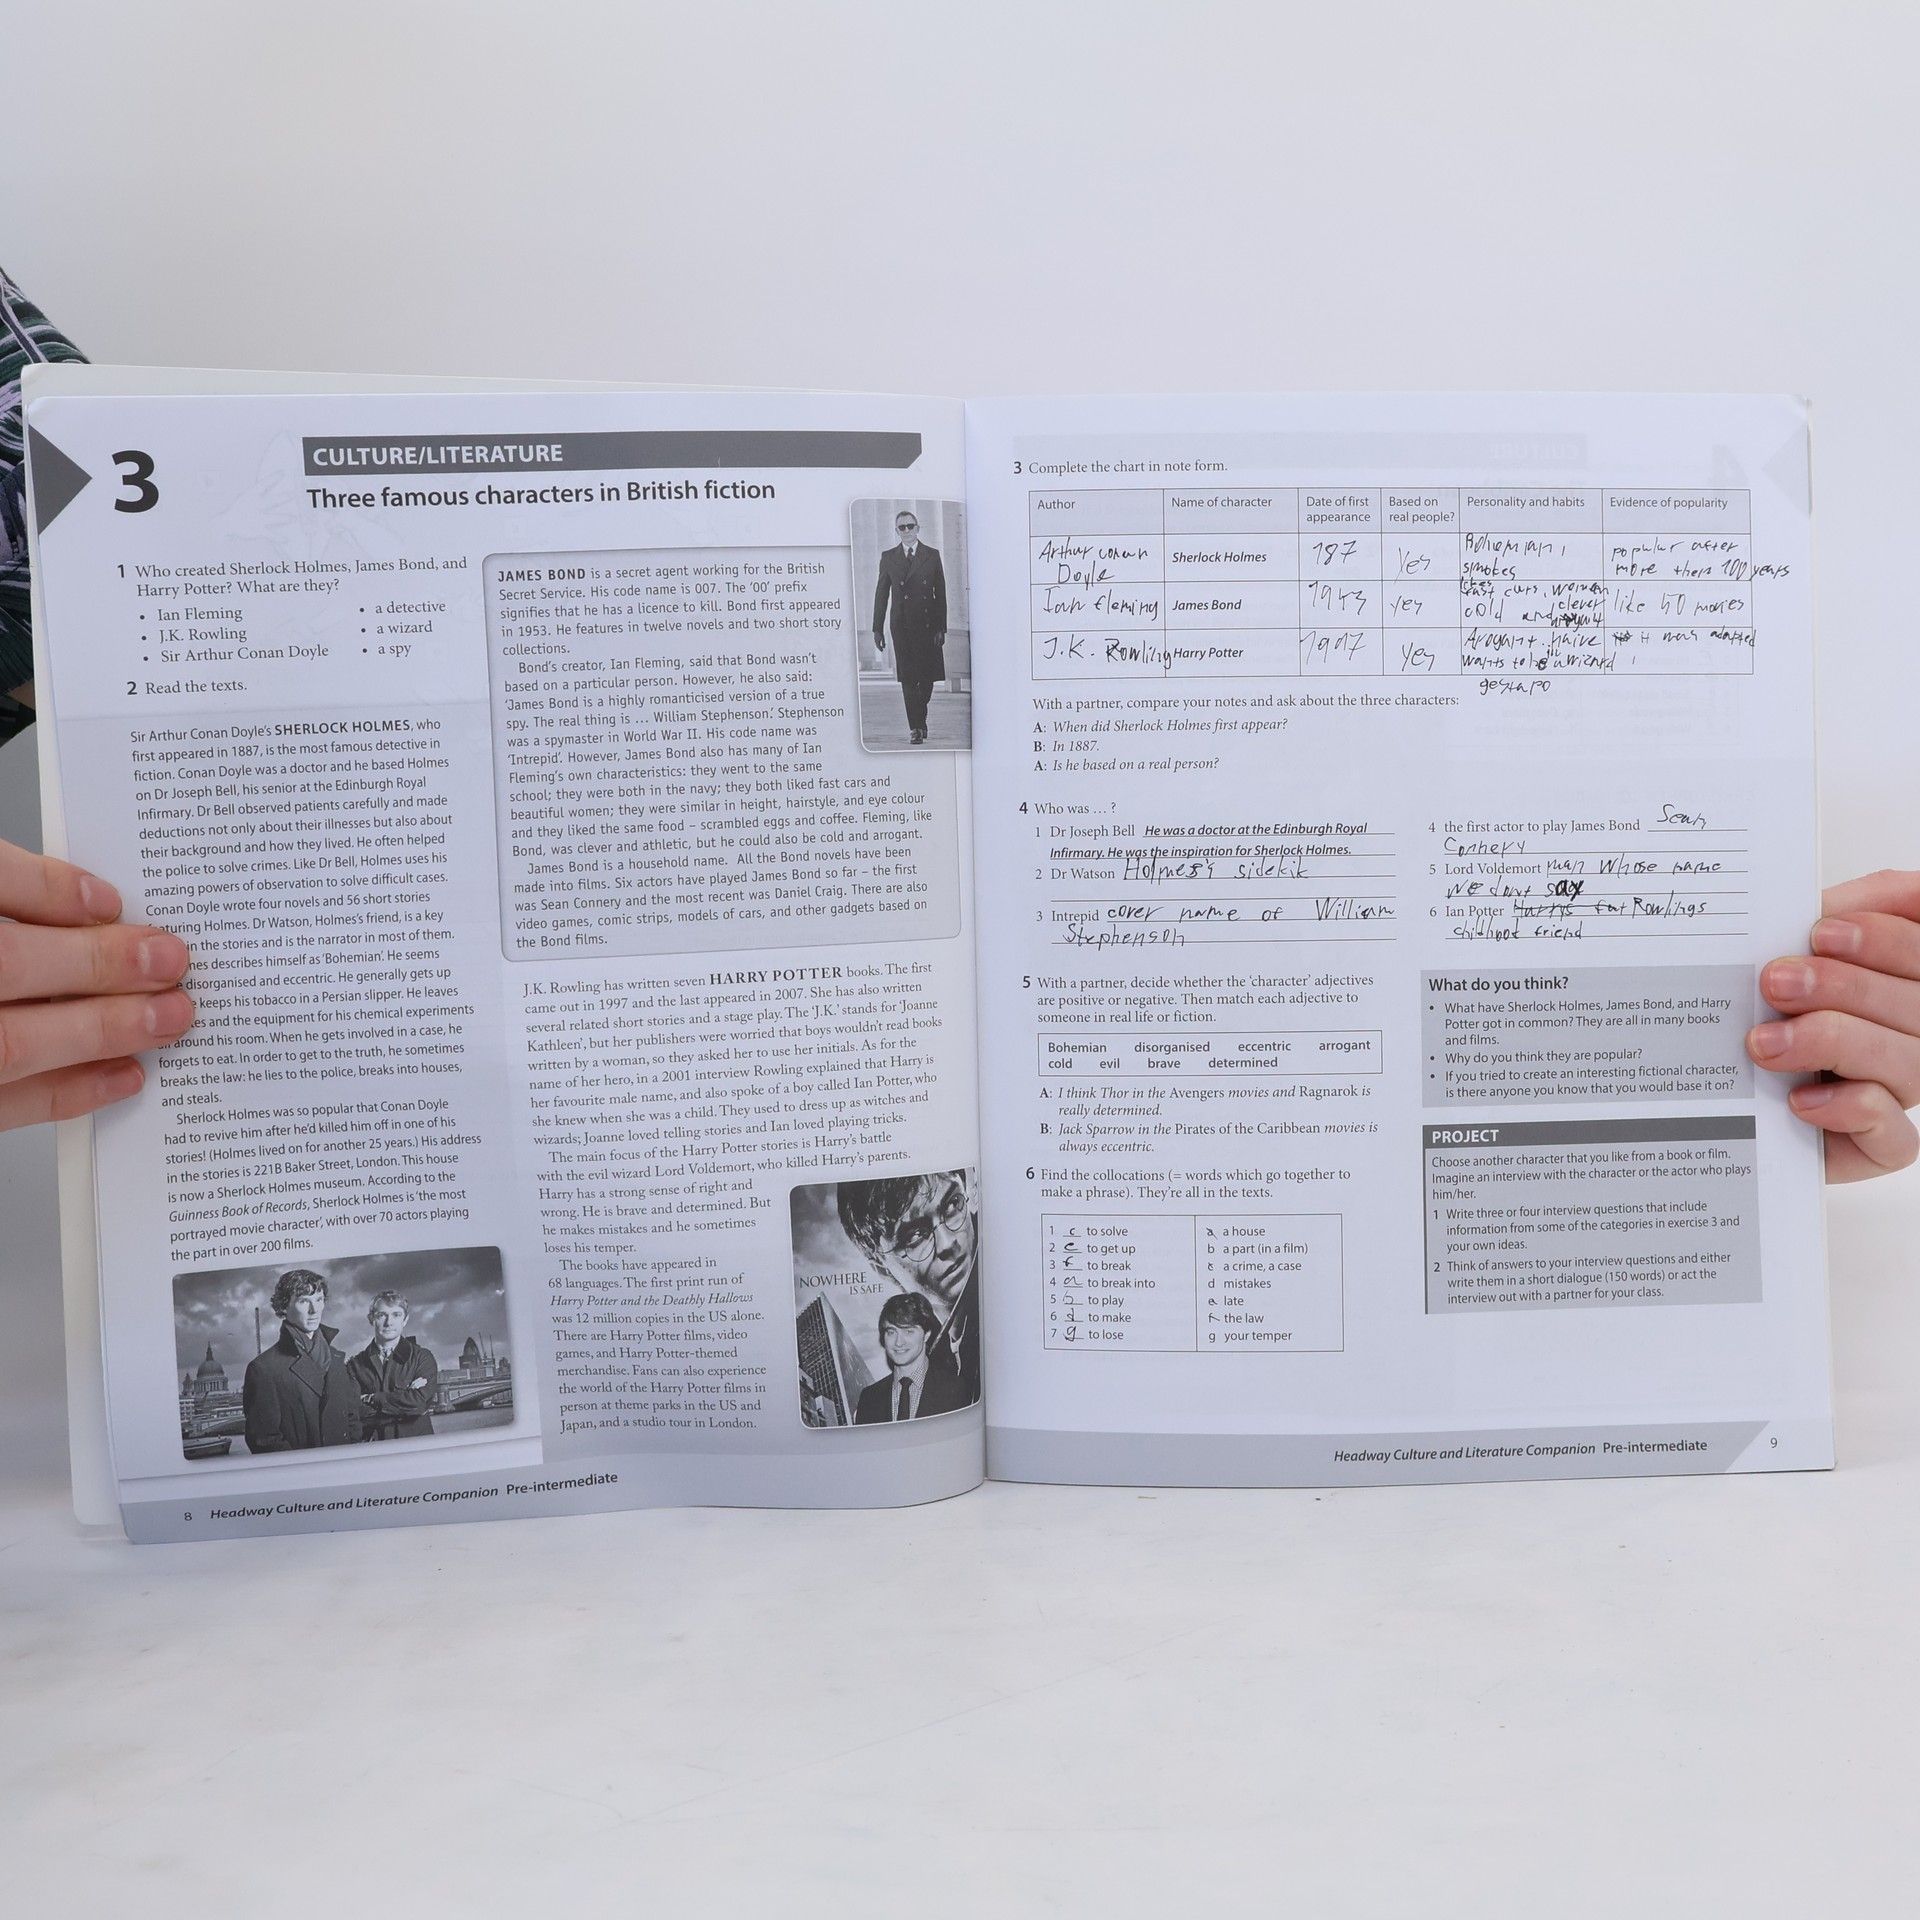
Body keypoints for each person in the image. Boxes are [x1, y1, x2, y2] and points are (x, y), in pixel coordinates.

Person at [838, 1169, 982, 1409]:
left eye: (952, 1204)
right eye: (915, 1236)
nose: (947, 1243)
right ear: (882, 1268)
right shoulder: (927, 1362)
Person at [242, 1269, 365, 1453]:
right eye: (304, 1301)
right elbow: (265, 1441)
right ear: (284, 1307)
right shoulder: (263, 1369)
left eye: (319, 1300)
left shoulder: (336, 1359)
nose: (314, 1310)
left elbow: (351, 1418)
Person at [870, 508, 946, 744]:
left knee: (927, 680)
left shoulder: (932, 555)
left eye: (910, 526)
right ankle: (915, 728)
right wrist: (877, 628)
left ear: (917, 528)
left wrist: (941, 627)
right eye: (901, 527)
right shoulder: (888, 557)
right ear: (897, 531)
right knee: (909, 679)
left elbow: (940, 594)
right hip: (901, 626)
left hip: (928, 625)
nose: (906, 531)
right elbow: (881, 595)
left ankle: (920, 718)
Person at [346, 1289, 439, 1440]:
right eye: (382, 1315)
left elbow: (418, 1404)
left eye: (396, 1315)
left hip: (417, 1446)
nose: (389, 1322)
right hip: (376, 1448)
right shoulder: (355, 1365)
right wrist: (405, 1404)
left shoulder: (422, 1358)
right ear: (371, 1319)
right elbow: (355, 1412)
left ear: (405, 1320)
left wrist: (372, 1398)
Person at [853, 1289, 949, 1423]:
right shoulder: (869, 1398)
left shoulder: (953, 1389)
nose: (898, 1342)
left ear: (926, 1335)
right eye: (891, 1332)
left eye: (908, 1331)